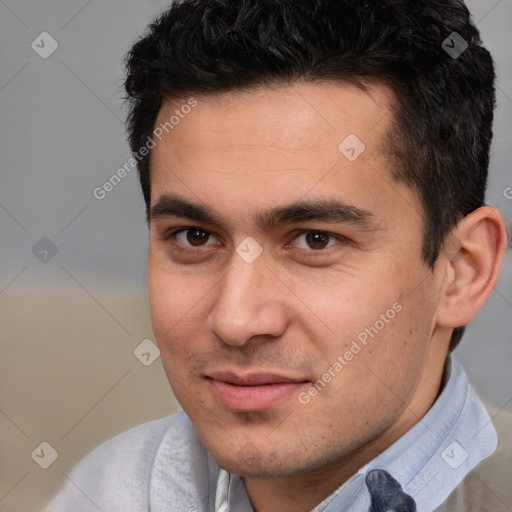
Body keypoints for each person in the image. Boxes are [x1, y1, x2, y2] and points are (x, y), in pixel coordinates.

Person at [44, 0, 511, 511]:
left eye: (315, 240)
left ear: (464, 271)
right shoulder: (104, 491)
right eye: (195, 237)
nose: (236, 320)